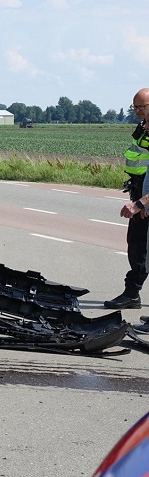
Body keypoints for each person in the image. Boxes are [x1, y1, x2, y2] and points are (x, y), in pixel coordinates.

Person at [105, 88, 149, 311]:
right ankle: (132, 293)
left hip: (145, 194)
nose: (138, 111)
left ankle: (132, 293)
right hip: (140, 188)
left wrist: (142, 202)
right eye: (135, 107)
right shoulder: (143, 127)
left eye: (142, 107)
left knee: (140, 246)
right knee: (137, 244)